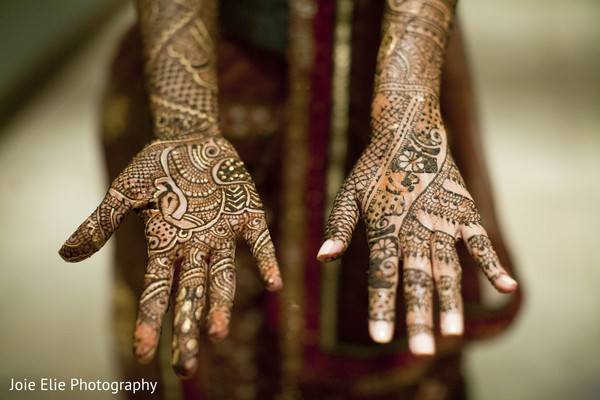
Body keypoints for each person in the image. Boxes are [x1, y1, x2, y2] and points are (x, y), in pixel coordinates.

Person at [60, 0, 522, 398]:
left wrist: (406, 106)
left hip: (381, 74)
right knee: (203, 346)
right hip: (223, 77)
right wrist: (187, 125)